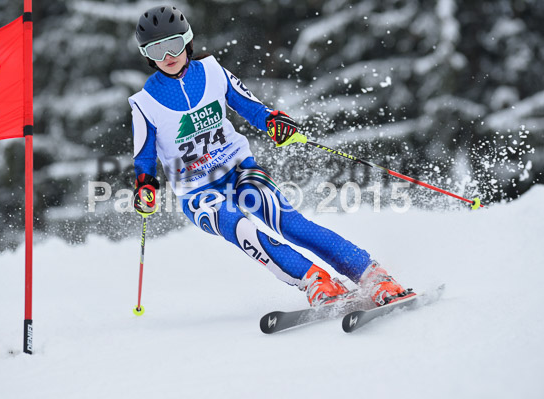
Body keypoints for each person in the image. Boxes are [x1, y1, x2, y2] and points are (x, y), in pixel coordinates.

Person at [128, 5, 413, 307]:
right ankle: (314, 280)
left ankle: (371, 274)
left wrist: (273, 122)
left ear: (187, 42)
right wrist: (145, 186)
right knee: (238, 226)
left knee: (289, 222)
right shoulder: (144, 103)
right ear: (147, 55)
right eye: (157, 50)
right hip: (196, 189)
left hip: (239, 169)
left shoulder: (213, 71)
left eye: (173, 45)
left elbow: (250, 106)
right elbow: (144, 157)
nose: (168, 56)